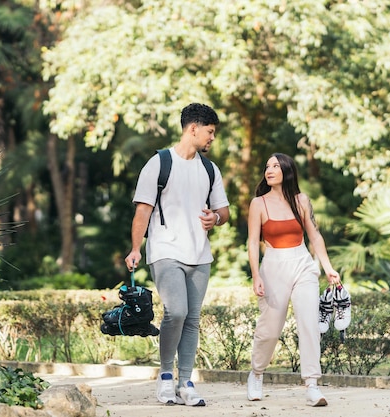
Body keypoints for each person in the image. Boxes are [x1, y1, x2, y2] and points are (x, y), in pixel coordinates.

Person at [124, 103, 230, 407]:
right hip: (165, 250)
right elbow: (142, 210)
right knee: (177, 312)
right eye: (209, 132)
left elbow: (223, 209)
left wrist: (217, 219)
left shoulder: (210, 169)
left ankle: (186, 382)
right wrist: (135, 249)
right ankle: (166, 376)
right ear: (193, 128)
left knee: (193, 319)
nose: (212, 139)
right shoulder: (159, 164)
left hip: (200, 255)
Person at [246, 152, 340, 406]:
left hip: (302, 264)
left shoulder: (302, 200)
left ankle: (312, 385)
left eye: (275, 166)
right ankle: (256, 374)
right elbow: (253, 242)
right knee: (270, 329)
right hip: (274, 265)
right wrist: (256, 275)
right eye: (267, 166)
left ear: (287, 170)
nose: (269, 170)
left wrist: (328, 267)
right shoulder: (259, 204)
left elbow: (315, 236)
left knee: (309, 322)